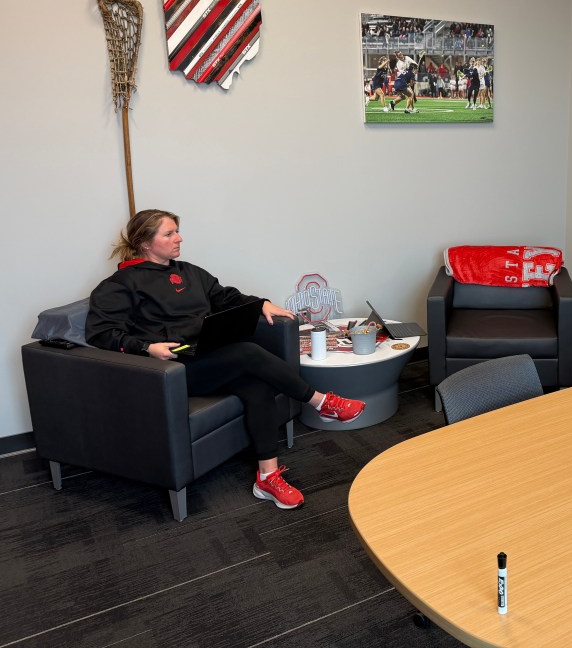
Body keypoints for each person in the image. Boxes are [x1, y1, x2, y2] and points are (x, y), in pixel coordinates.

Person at [85, 209, 366, 511]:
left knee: (257, 385)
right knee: (247, 352)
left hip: (207, 357)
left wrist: (261, 304)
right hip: (172, 368)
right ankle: (321, 402)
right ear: (144, 243)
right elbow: (101, 333)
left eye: (177, 231)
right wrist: (146, 347)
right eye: (169, 234)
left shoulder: (190, 272)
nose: (179, 238)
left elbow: (226, 297)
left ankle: (267, 478)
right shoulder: (120, 284)